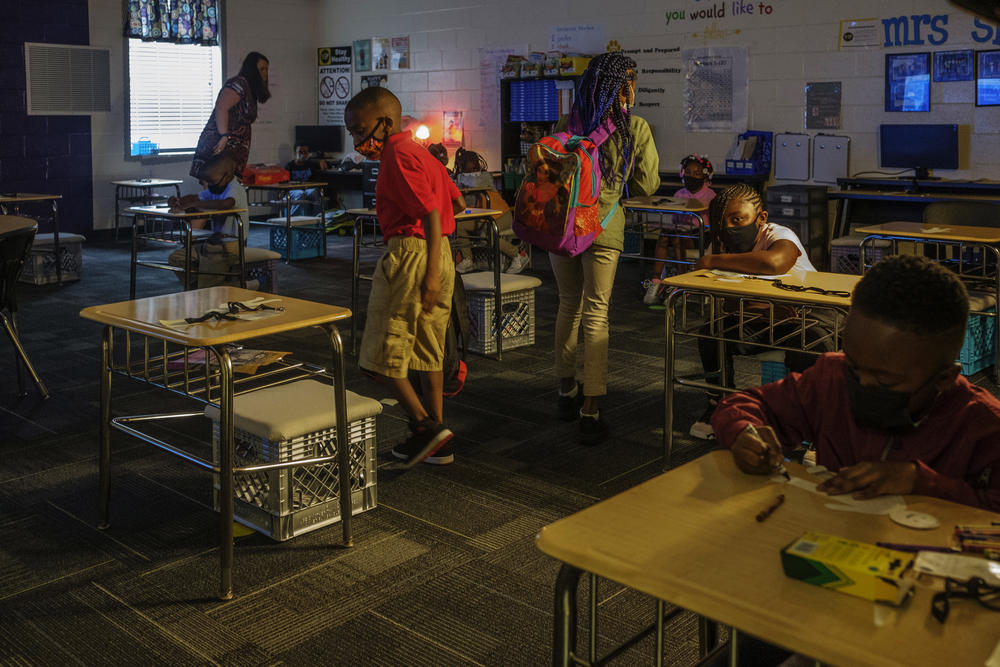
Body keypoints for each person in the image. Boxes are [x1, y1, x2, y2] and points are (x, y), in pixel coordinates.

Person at [713, 255, 1000, 512]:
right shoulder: (833, 379)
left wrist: (921, 483)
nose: (861, 382)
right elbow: (746, 404)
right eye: (853, 363)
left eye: (883, 379)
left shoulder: (984, 427)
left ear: (944, 378)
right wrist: (743, 434)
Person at [344, 86, 463, 467]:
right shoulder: (423, 153)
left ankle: (425, 428)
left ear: (386, 122)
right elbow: (455, 202)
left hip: (413, 255)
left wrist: (427, 273)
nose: (357, 140)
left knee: (378, 353)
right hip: (439, 252)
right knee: (428, 350)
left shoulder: (397, 154)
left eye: (359, 129)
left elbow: (428, 211)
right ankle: (438, 442)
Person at [551, 52, 660, 445]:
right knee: (596, 314)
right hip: (602, 228)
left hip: (562, 229)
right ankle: (591, 410)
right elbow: (648, 185)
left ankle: (565, 390)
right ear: (624, 85)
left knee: (567, 305)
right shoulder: (635, 127)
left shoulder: (566, 124)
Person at [688, 183, 833, 440]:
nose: (730, 229)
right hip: (757, 319)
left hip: (804, 315)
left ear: (761, 218)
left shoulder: (779, 234)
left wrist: (711, 260)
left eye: (737, 220)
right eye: (723, 224)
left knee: (812, 343)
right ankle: (720, 403)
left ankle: (816, 422)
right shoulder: (723, 244)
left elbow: (775, 262)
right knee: (712, 333)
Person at [642, 154, 716, 305]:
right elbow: (675, 220)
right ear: (682, 173)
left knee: (678, 238)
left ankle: (681, 285)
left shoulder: (710, 195)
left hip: (700, 237)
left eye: (697, 173)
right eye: (688, 172)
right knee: (664, 235)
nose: (692, 176)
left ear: (705, 175)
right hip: (679, 233)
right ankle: (656, 281)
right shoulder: (679, 194)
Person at [167, 153, 248, 288]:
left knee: (209, 278)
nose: (209, 185)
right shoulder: (217, 186)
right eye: (208, 182)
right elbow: (196, 197)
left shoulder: (235, 189)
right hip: (214, 244)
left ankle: (212, 289)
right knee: (177, 258)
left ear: (227, 176)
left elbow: (226, 204)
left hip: (231, 246)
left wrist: (194, 205)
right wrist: (179, 201)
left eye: (212, 181)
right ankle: (197, 288)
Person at [191, 52, 271, 181]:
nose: (265, 73)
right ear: (252, 69)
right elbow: (221, 107)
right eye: (262, 69)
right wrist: (224, 136)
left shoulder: (250, 89)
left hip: (235, 147)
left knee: (230, 186)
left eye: (267, 69)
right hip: (221, 143)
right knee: (216, 184)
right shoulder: (239, 83)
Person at [452, 148, 530, 274]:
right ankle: (468, 259)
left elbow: (473, 183)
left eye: (472, 168)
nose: (471, 172)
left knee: (487, 235)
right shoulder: (464, 180)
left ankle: (518, 255)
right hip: (482, 218)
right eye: (467, 169)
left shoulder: (484, 177)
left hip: (501, 215)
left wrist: (457, 180)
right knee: (459, 225)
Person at [284, 144, 328, 216]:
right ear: (295, 153)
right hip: (293, 190)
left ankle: (316, 219)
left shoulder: (311, 164)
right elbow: (284, 183)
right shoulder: (289, 166)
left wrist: (321, 162)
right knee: (300, 194)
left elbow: (327, 165)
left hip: (307, 189)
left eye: (305, 152)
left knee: (314, 191)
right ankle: (293, 220)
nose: (303, 154)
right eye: (300, 152)